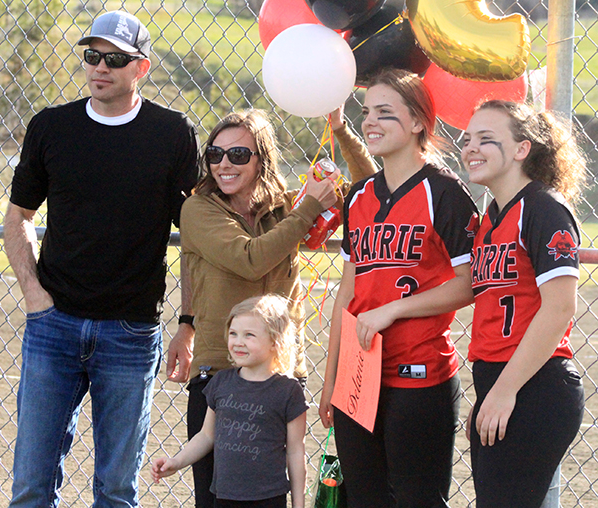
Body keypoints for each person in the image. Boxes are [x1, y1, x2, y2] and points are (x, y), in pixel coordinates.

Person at [3, 10, 200, 507]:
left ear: (141, 67)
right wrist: (34, 295)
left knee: (116, 490)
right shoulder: (51, 127)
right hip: (53, 325)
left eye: (115, 59)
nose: (100, 67)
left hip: (131, 332)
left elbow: (196, 238)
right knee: (30, 486)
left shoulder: (172, 132)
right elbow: (19, 215)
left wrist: (188, 324)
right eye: (92, 56)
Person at [170, 107, 377, 507]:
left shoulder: (285, 206)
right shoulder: (199, 209)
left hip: (280, 375)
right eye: (215, 154)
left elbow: (372, 188)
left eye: (238, 155)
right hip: (222, 373)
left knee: (271, 495)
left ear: (261, 160)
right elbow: (250, 259)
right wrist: (308, 209)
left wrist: (339, 129)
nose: (224, 164)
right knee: (216, 497)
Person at [318, 67, 480, 507]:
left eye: (385, 112)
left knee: (417, 500)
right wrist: (332, 378)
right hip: (359, 375)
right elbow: (347, 295)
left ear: (417, 123)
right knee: (365, 499)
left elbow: (469, 284)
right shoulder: (359, 197)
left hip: (419, 373)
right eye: (366, 111)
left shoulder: (444, 192)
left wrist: (393, 309)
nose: (370, 121)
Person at [462, 100, 586, 508]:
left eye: (486, 138)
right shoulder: (492, 217)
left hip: (535, 385)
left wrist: (504, 390)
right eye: (468, 138)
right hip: (502, 381)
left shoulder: (543, 208)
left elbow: (559, 308)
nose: (471, 147)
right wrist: (491, 392)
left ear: (521, 149)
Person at [152, 294, 308, 508]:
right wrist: (176, 462)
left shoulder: (288, 391)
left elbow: (295, 451)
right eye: (233, 333)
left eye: (249, 335)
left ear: (275, 341)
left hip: (269, 499)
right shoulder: (221, 382)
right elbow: (206, 436)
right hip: (225, 497)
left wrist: (299, 504)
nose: (238, 342)